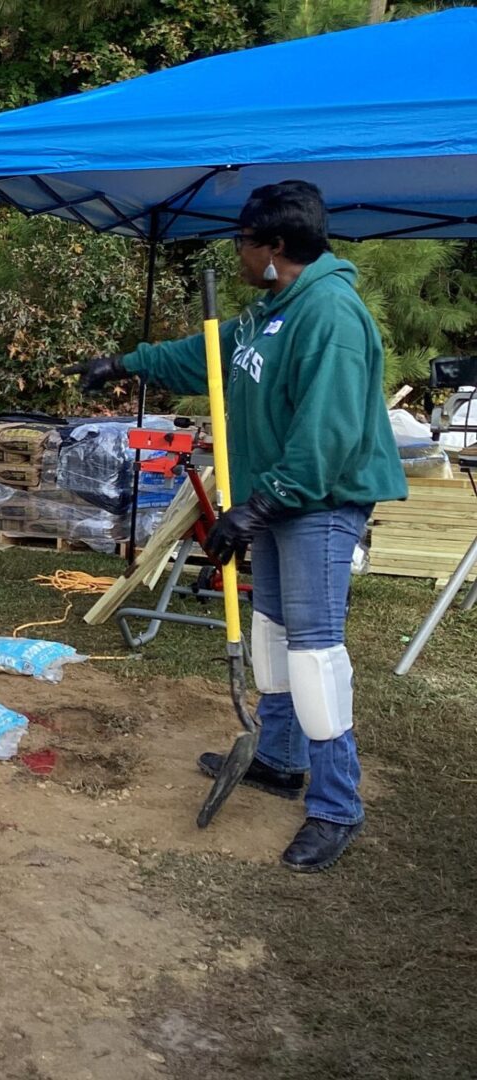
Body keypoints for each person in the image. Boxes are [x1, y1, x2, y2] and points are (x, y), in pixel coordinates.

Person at [71, 180, 406, 872]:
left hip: (317, 501)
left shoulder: (331, 316)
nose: (237, 252)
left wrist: (259, 504)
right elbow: (205, 355)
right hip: (280, 499)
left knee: (314, 654)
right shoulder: (271, 309)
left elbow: (328, 435)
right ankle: (280, 759)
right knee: (275, 636)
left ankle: (337, 804)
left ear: (274, 246)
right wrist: (124, 364)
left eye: (243, 241)